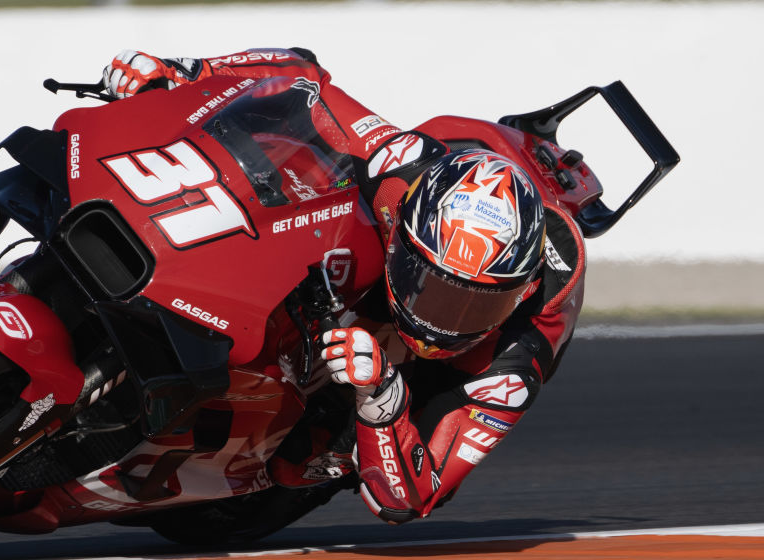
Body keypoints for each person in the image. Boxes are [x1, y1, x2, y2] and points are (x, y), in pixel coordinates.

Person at [102, 48, 586, 524]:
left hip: (444, 362)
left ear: (519, 294)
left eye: (473, 306)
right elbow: (304, 77)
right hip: (445, 174)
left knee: (307, 461)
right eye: (434, 290)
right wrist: (184, 72)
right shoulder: (400, 167)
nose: (442, 322)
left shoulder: (514, 364)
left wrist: (381, 401)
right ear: (404, 236)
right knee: (293, 168)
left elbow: (410, 499)